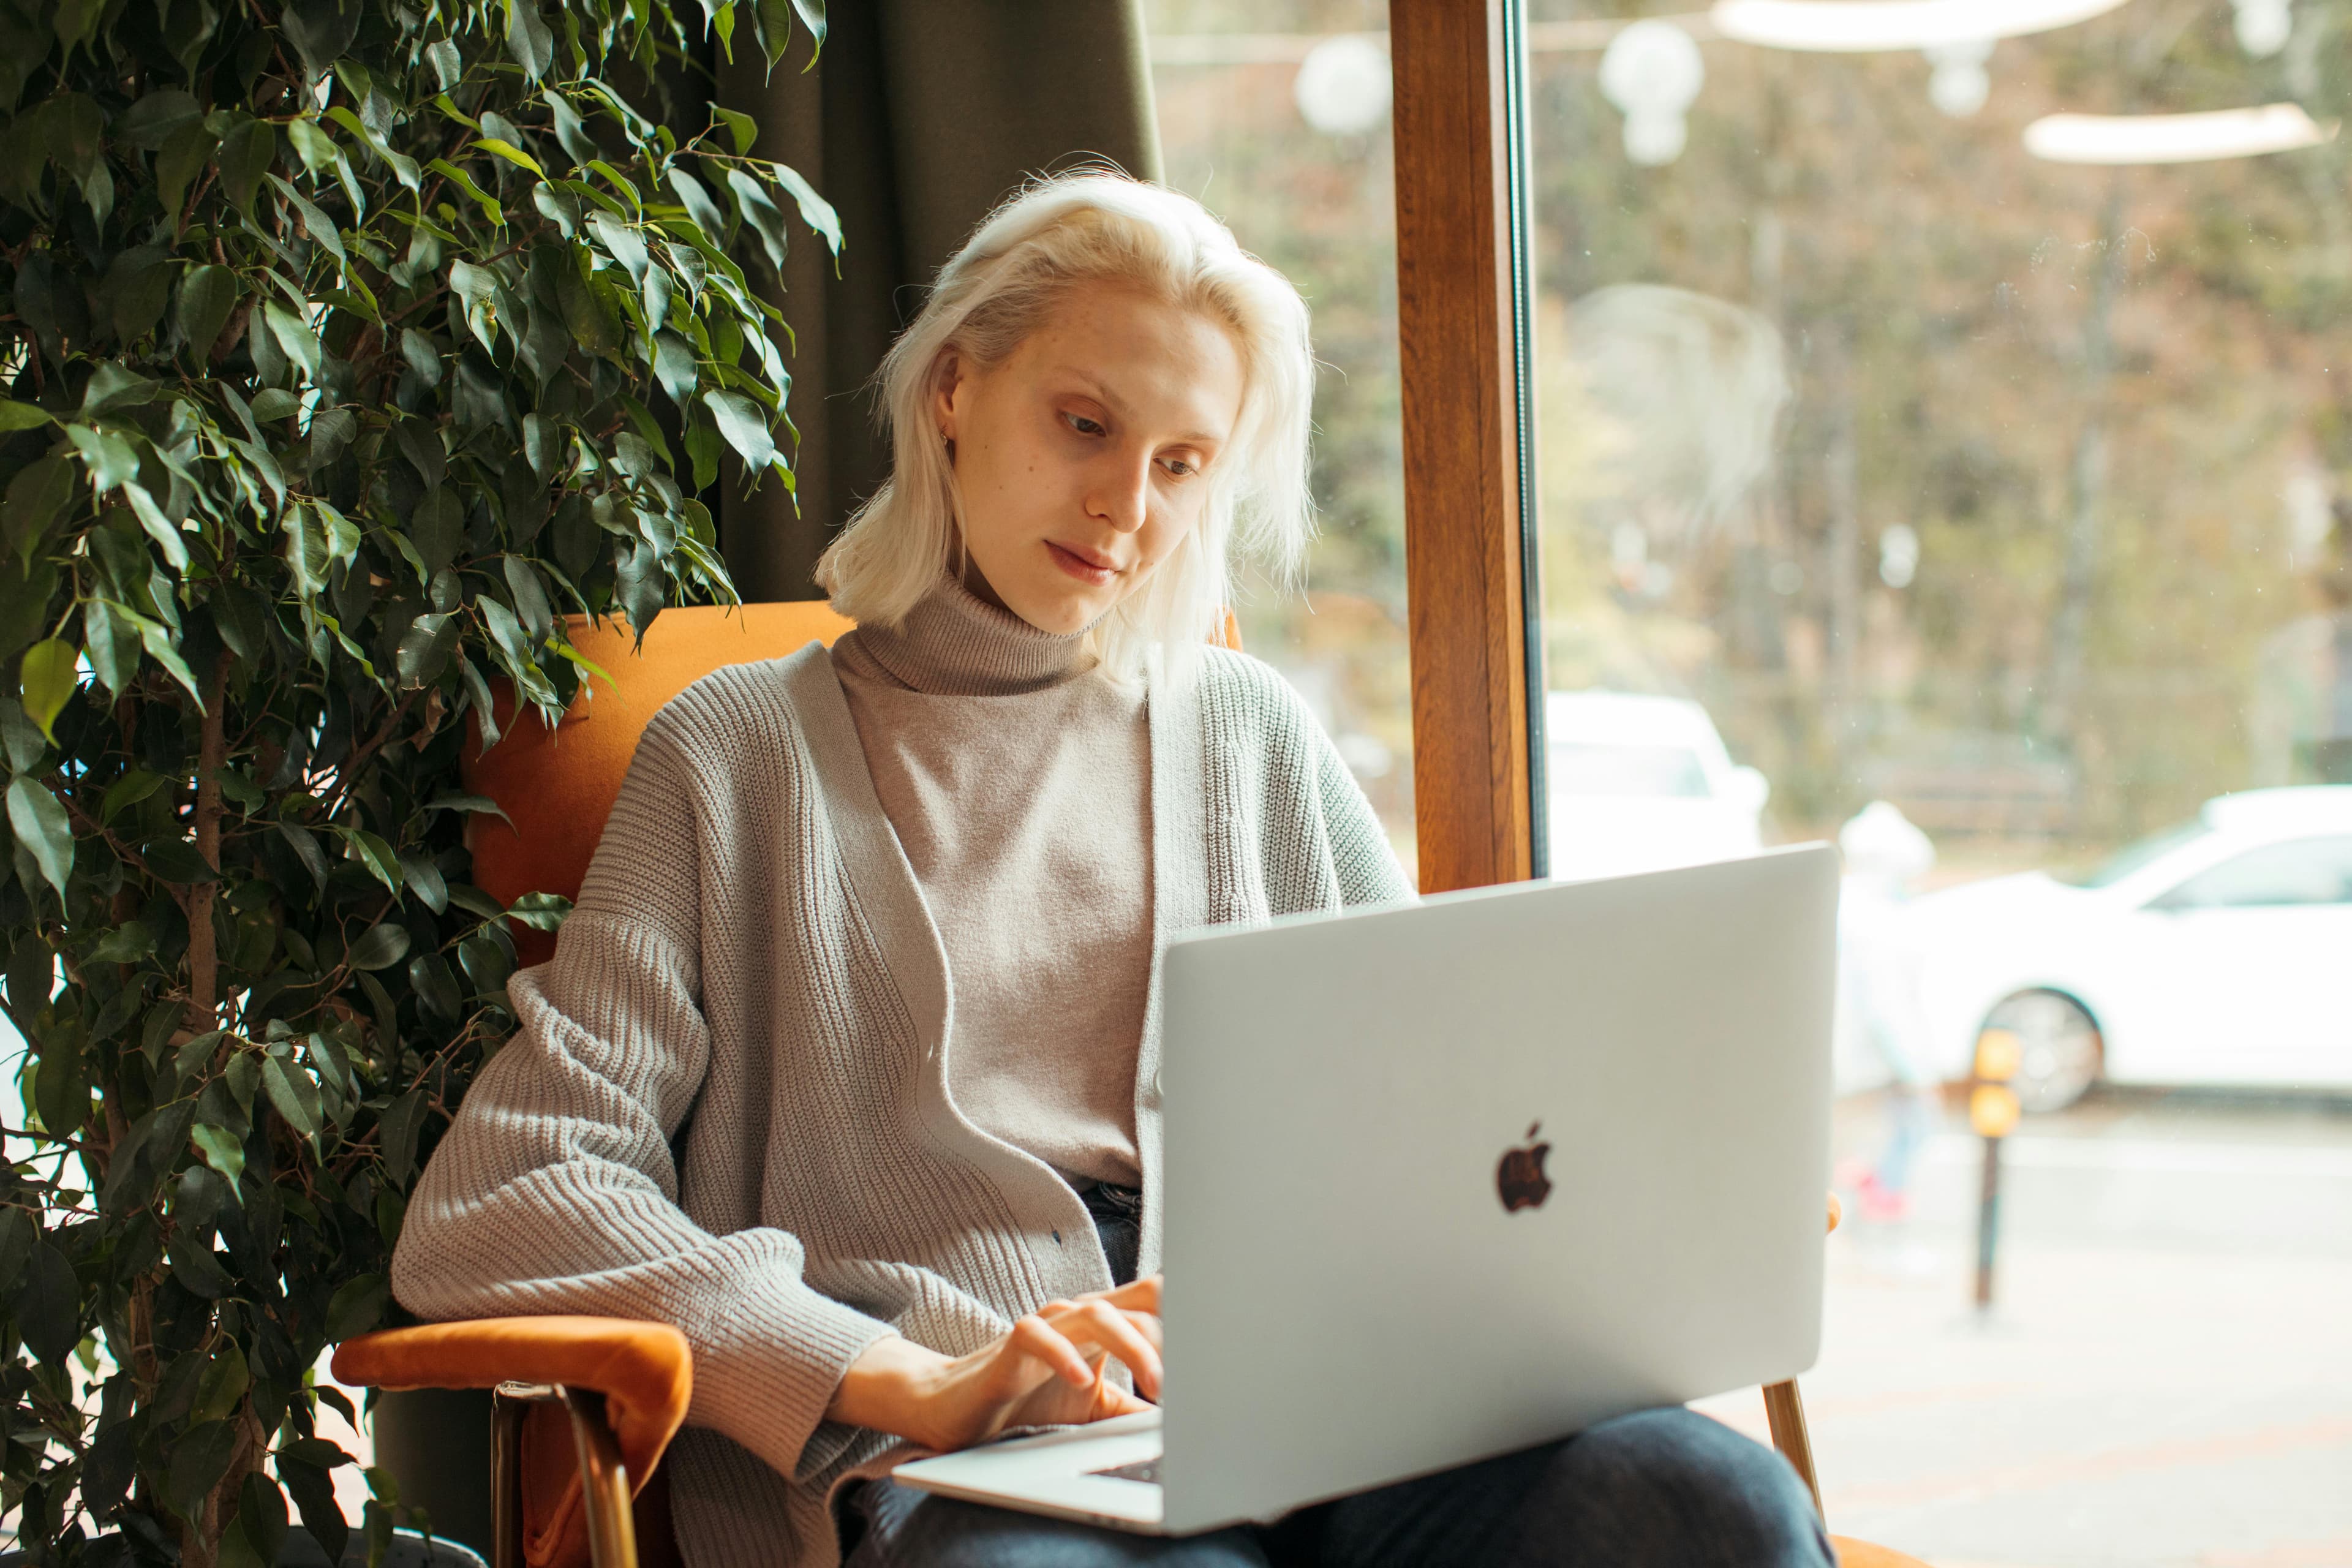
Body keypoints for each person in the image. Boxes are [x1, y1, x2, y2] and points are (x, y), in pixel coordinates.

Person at [391, 172, 1831, 1568]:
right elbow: (511, 1189)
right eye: (1085, 424)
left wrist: (1662, 1187)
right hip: (982, 1453)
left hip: (1330, 1408)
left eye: (1182, 464)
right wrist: (895, 1373)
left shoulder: (1249, 733)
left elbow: (1443, 1118)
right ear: (954, 390)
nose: (1125, 508)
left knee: (1712, 1506)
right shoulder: (738, 756)